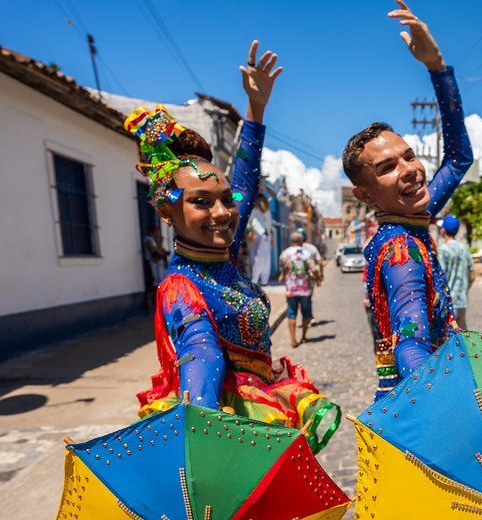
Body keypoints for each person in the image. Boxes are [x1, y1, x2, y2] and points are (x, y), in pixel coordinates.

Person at [131, 41, 338, 449]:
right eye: (201, 202)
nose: (222, 212)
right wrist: (206, 441)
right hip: (236, 427)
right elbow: (200, 351)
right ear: (168, 211)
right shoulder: (181, 288)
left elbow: (245, 179)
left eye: (226, 200)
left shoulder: (221, 253)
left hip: (260, 408)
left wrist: (256, 111)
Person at [341, 0, 472, 400]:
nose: (411, 170)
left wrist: (437, 67)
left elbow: (458, 159)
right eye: (387, 168)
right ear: (365, 195)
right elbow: (410, 343)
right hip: (422, 406)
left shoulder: (413, 217)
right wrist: (444, 403)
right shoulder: (402, 251)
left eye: (409, 156)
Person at [280, 232, 320, 347]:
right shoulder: (307, 254)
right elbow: (314, 269)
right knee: (306, 314)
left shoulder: (284, 254)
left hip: (291, 289)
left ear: (291, 241)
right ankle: (303, 337)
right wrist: (317, 277)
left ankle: (293, 340)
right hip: (305, 289)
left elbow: (283, 269)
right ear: (301, 241)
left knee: (291, 314)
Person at [437, 215, 474, 329]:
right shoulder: (464, 248)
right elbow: (472, 275)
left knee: (447, 335)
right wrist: (464, 289)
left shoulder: (442, 250)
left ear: (443, 230)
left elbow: (439, 277)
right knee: (461, 334)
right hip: (462, 301)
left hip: (447, 302)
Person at [249, 194, 273, 285]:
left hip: (267, 236)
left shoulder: (267, 211)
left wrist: (271, 234)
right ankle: (255, 279)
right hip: (258, 234)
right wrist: (251, 231)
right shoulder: (253, 210)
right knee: (257, 258)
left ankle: (264, 280)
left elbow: (269, 223)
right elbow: (252, 222)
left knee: (267, 259)